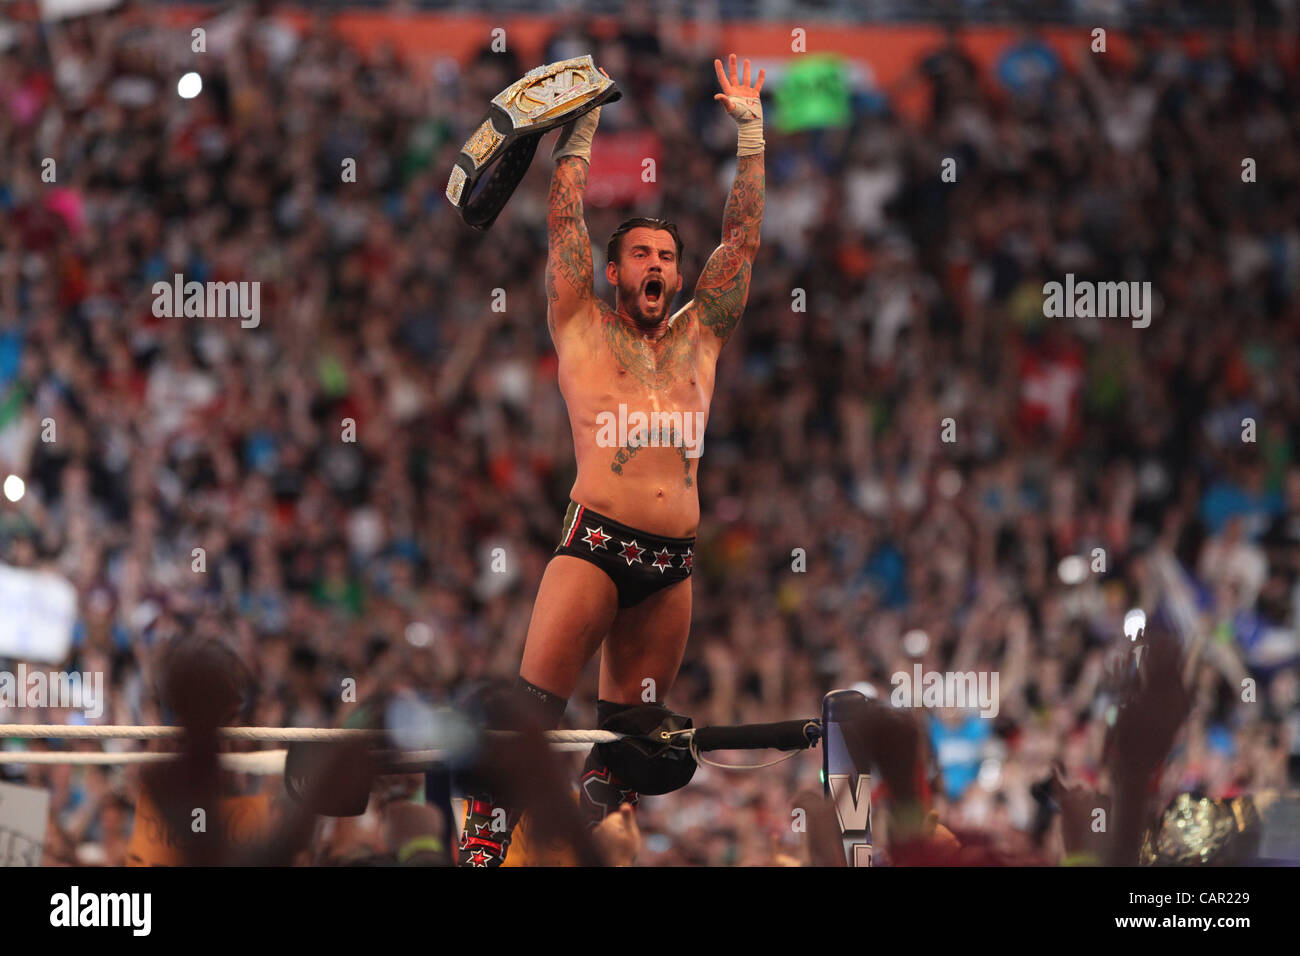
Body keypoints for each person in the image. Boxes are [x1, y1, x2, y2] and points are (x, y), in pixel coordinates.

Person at [458, 54, 766, 866]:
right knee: (530, 713)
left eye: (668, 256)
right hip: (596, 543)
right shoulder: (583, 326)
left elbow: (741, 241)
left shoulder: (701, 334)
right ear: (615, 269)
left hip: (673, 563)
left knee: (630, 747)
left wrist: (752, 136)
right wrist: (579, 133)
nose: (660, 265)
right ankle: (482, 844)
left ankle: (577, 834)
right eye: (642, 255)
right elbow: (566, 226)